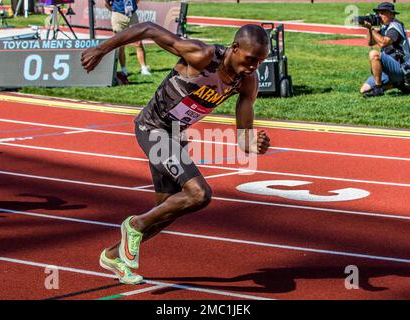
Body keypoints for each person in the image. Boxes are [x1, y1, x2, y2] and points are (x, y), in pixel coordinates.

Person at [82, 22, 271, 284]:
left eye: (260, 61)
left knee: (164, 213)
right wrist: (102, 49)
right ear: (235, 48)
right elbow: (148, 28)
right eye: (251, 59)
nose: (254, 66)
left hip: (176, 137)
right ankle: (133, 225)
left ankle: (114, 255)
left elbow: (243, 138)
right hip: (153, 129)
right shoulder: (201, 55)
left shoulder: (247, 81)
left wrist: (254, 143)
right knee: (199, 194)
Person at [360, 2, 410, 98]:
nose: (379, 15)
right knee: (364, 90)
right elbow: (370, 43)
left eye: (382, 13)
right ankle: (397, 84)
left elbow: (383, 43)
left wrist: (372, 28)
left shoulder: (395, 26)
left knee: (374, 54)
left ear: (391, 14)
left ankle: (378, 89)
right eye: (378, 13)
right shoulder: (384, 27)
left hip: (401, 67)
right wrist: (369, 28)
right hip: (389, 68)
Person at [105, 0, 151, 77]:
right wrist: (115, 12)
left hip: (132, 15)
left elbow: (137, 1)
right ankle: (124, 69)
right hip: (118, 16)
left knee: (138, 43)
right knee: (120, 45)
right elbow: (107, 4)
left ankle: (144, 68)